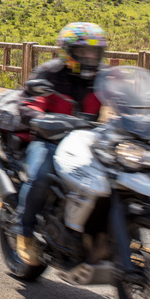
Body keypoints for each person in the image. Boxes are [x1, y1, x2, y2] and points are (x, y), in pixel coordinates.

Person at [14, 22, 108, 266]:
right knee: (43, 174)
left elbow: (123, 99)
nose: (89, 57)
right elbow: (29, 102)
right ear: (68, 51)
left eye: (94, 52)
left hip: (87, 141)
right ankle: (23, 232)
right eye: (83, 51)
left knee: (115, 175)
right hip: (49, 139)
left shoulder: (102, 77)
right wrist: (40, 118)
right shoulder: (50, 73)